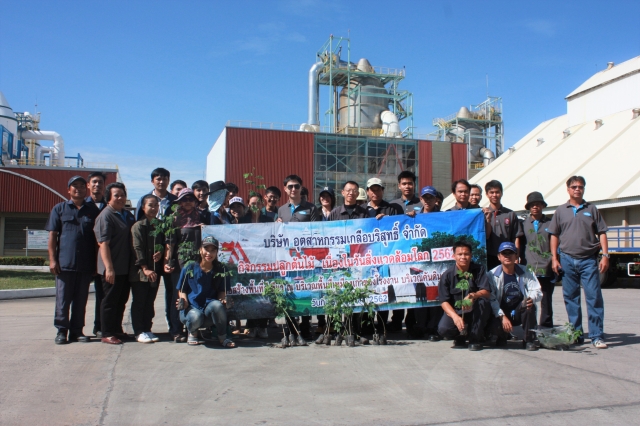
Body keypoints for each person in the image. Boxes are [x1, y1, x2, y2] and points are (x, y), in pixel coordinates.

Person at [548, 176, 609, 349]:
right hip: (567, 259)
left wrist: (605, 255)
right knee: (571, 298)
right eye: (574, 187)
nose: (577, 189)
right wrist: (554, 258)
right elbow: (554, 235)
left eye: (580, 187)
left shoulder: (592, 209)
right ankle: (576, 335)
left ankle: (597, 336)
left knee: (594, 297)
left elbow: (602, 232)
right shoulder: (561, 211)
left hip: (588, 260)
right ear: (568, 189)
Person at [46, 176, 101, 344]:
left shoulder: (93, 211)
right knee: (63, 300)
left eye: (82, 186)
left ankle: (77, 331)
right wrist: (52, 260)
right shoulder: (59, 209)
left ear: (86, 189)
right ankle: (62, 331)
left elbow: (97, 240)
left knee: (81, 300)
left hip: (86, 264)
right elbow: (52, 235)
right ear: (68, 190)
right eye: (74, 186)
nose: (78, 189)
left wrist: (96, 263)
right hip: (65, 264)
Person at [277, 174, 321, 340]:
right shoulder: (281, 210)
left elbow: (317, 232)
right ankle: (292, 328)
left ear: (301, 188)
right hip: (288, 258)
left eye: (296, 186)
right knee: (290, 290)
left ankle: (305, 326)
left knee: (306, 289)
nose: (293, 189)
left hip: (306, 257)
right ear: (285, 189)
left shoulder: (311, 208)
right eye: (290, 186)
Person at [94, 182, 136, 345]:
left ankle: (117, 329)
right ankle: (107, 333)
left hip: (125, 267)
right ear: (108, 198)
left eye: (122, 195)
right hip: (112, 268)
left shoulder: (127, 215)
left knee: (121, 301)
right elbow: (103, 244)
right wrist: (109, 268)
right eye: (116, 195)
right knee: (109, 302)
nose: (120, 198)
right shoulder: (106, 216)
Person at [177, 236, 236, 348]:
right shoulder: (189, 267)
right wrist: (183, 301)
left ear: (217, 252)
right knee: (196, 316)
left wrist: (223, 301)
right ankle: (192, 332)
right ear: (200, 250)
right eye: (206, 249)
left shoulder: (222, 269)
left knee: (218, 306)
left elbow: (222, 292)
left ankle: (222, 337)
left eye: (213, 250)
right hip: (191, 310)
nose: (209, 253)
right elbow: (181, 290)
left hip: (208, 311)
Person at [437, 240, 492, 351]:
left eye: (466, 254)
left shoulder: (479, 270)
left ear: (471, 255)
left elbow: (486, 292)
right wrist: (455, 317)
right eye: (460, 254)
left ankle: (475, 338)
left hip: (475, 310)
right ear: (454, 256)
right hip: (457, 311)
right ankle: (460, 337)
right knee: (444, 329)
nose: (463, 257)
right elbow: (444, 301)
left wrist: (473, 295)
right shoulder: (447, 275)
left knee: (483, 302)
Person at [164, 188, 203, 342]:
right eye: (184, 199)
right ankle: (176, 330)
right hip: (180, 264)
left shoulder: (200, 216)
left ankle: (192, 328)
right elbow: (170, 243)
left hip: (197, 263)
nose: (187, 202)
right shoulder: (174, 218)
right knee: (179, 296)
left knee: (194, 295)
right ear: (179, 202)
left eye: (190, 199)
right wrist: (168, 261)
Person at [488, 242, 542, 351]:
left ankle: (528, 339)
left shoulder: (526, 271)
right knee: (490, 314)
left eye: (510, 253)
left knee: (529, 306)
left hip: (519, 311)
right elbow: (491, 299)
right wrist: (502, 316)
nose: (507, 256)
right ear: (499, 257)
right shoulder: (492, 274)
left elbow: (537, 290)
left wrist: (531, 298)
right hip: (501, 312)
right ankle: (501, 336)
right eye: (504, 253)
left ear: (516, 256)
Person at [406, 185, 443, 340]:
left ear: (436, 199)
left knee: (434, 295)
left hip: (436, 262)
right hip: (418, 262)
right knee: (420, 294)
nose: (428, 201)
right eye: (425, 198)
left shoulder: (444, 216)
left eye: (431, 198)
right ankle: (421, 327)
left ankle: (433, 328)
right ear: (420, 199)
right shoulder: (413, 216)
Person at [388, 171, 422, 331]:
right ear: (399, 185)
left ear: (414, 185)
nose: (407, 186)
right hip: (398, 253)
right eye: (404, 183)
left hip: (416, 251)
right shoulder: (392, 205)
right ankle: (396, 320)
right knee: (399, 284)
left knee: (414, 286)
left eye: (410, 183)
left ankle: (412, 321)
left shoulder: (422, 203)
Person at [129, 194, 164, 343]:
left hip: (155, 270)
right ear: (143, 207)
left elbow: (163, 243)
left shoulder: (159, 225)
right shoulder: (138, 226)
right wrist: (144, 267)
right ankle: (138, 331)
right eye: (150, 205)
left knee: (150, 301)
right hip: (141, 272)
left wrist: (160, 251)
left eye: (156, 205)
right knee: (140, 301)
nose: (153, 208)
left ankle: (147, 328)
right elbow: (137, 248)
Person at [521, 192, 555, 328]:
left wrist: (555, 260)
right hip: (529, 268)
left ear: (542, 206)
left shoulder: (551, 223)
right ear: (529, 207)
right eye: (532, 205)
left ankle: (546, 328)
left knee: (546, 300)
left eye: (538, 204)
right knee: (530, 300)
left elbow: (556, 243)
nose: (535, 207)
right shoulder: (523, 224)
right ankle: (531, 328)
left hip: (547, 266)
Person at [85, 171, 108, 338]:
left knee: (102, 296)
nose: (97, 185)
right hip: (84, 258)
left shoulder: (109, 207)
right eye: (94, 182)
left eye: (100, 182)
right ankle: (73, 329)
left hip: (103, 259)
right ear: (88, 185)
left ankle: (100, 327)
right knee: (78, 297)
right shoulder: (81, 206)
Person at [483, 180, 523, 269]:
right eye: (491, 192)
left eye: (497, 192)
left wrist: (516, 255)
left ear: (501, 193)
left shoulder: (510, 214)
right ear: (487, 194)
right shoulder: (483, 214)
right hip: (488, 256)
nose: (494, 195)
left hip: (507, 255)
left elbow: (516, 236)